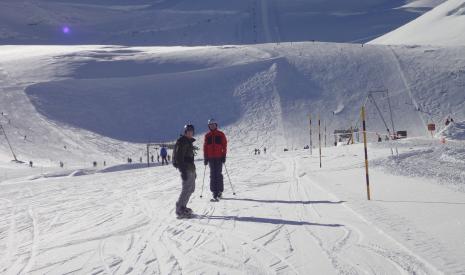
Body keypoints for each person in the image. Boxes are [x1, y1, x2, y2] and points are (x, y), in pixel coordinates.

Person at [173, 124, 197, 218]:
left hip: (190, 168)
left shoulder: (188, 141)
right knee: (186, 188)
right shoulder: (182, 142)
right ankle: (179, 209)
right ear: (185, 132)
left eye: (192, 131)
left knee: (191, 189)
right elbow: (179, 158)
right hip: (186, 169)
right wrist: (182, 171)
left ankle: (183, 206)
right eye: (188, 131)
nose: (190, 133)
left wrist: (194, 172)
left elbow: (190, 158)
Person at [203, 119, 227, 201]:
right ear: (209, 126)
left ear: (216, 125)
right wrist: (205, 158)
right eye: (210, 125)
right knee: (212, 175)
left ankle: (220, 191)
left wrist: (224, 156)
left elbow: (224, 145)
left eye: (213, 124)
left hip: (219, 157)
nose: (212, 126)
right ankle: (214, 191)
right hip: (210, 158)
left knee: (218, 174)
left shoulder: (221, 134)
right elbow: (205, 147)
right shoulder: (207, 135)